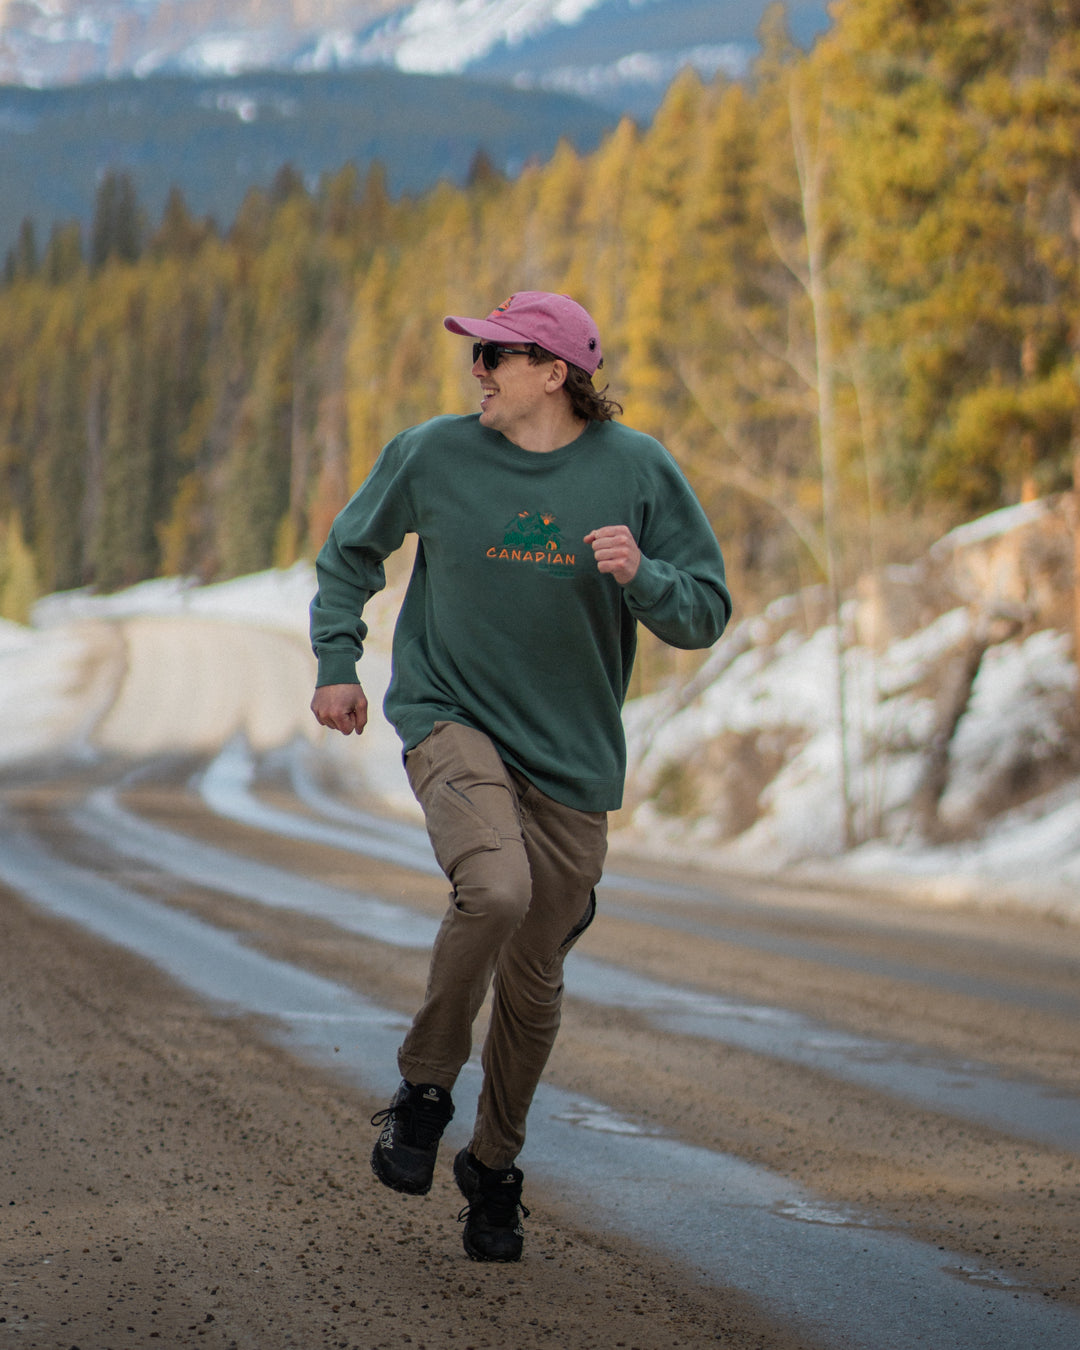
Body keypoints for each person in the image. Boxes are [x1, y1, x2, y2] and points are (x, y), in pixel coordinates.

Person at [309, 290, 731, 1262]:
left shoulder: (637, 472)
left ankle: (493, 1167)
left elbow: (703, 612)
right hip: (452, 718)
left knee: (536, 983)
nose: (479, 371)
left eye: (498, 354)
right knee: (493, 888)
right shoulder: (434, 453)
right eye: (477, 352)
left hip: (574, 758)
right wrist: (338, 660)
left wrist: (645, 579)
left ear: (557, 373)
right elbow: (348, 554)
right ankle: (422, 1094)